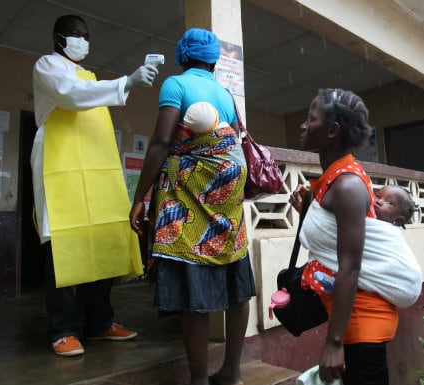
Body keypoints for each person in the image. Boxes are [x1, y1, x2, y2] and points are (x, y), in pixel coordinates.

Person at [128, 28, 255, 385]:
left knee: (192, 280)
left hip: (194, 189)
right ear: (214, 60)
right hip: (229, 189)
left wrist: (140, 198)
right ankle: (232, 371)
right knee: (235, 281)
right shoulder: (225, 94)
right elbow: (227, 140)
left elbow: (162, 142)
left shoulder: (176, 84)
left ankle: (199, 380)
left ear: (182, 56)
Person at [31, 14, 158, 357]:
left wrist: (120, 86)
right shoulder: (48, 66)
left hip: (96, 174)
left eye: (86, 35)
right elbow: (70, 94)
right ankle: (63, 330)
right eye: (75, 34)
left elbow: (86, 92)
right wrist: (125, 83)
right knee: (64, 248)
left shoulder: (90, 77)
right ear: (58, 37)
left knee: (101, 243)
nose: (82, 40)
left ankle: (100, 323)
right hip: (62, 173)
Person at [290, 88, 399, 385]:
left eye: (310, 119)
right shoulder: (333, 179)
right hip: (350, 320)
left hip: (362, 324)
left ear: (333, 131)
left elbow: (350, 266)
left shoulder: (347, 186)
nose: (303, 125)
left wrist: (334, 343)